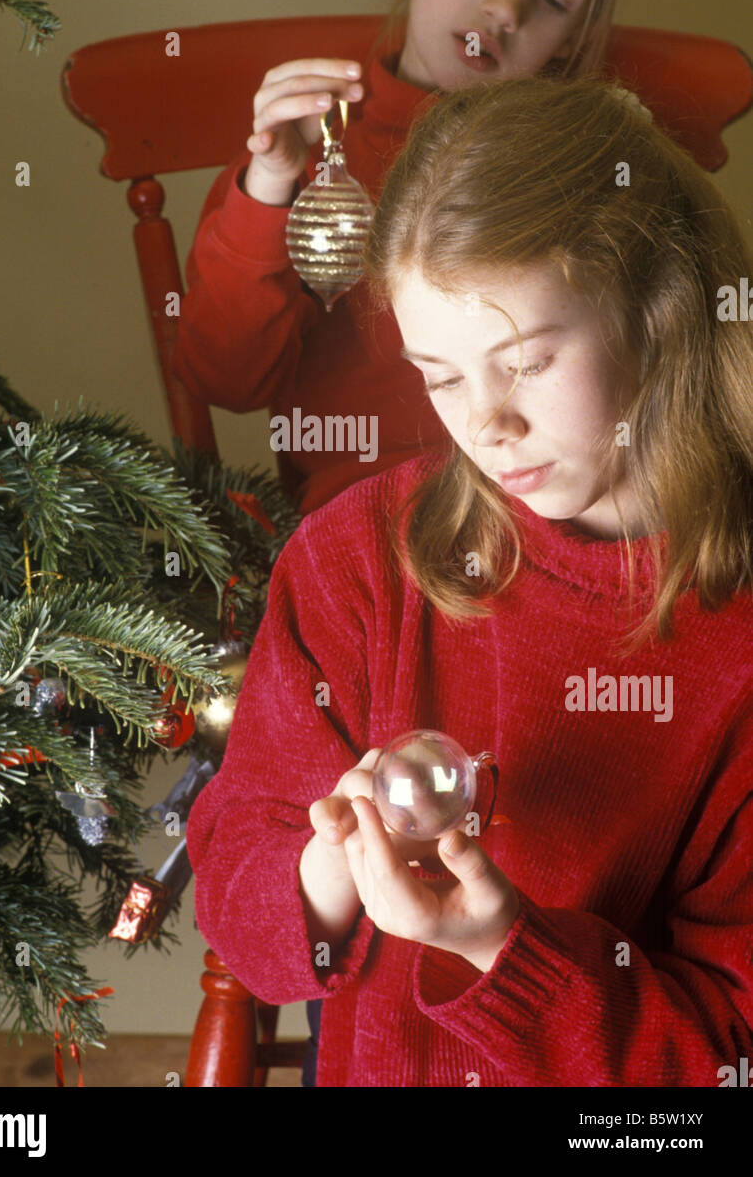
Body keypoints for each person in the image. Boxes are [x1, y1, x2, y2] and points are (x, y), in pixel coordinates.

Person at [187, 76, 753, 1087]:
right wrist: (336, 866)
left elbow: (720, 1055)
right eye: (440, 374)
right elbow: (244, 902)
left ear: (660, 311)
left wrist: (503, 949)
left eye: (525, 360)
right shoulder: (357, 559)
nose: (484, 422)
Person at [173, 0, 645, 514]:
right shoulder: (320, 147)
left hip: (553, 517)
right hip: (369, 526)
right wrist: (270, 183)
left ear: (575, 39)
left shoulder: (576, 163)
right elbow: (226, 379)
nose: (505, 6)